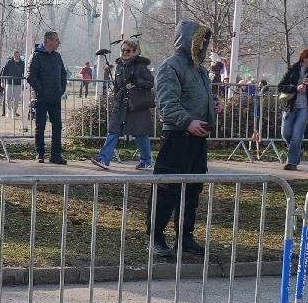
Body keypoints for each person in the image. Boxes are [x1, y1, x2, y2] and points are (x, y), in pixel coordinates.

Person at [152, 19, 216, 258]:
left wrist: (213, 106)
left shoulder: (199, 68)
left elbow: (198, 96)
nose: (202, 46)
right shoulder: (171, 66)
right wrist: (188, 122)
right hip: (177, 137)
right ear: (189, 41)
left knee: (192, 191)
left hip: (197, 138)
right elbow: (167, 103)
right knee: (166, 190)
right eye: (199, 41)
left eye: (204, 43)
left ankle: (185, 237)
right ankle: (156, 237)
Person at [89, 40, 155, 170]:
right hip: (121, 104)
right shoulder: (119, 66)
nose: (124, 53)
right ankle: (104, 159)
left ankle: (147, 161)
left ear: (134, 52)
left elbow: (150, 82)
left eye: (128, 50)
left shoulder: (140, 66)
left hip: (136, 103)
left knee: (140, 133)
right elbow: (119, 86)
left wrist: (136, 81)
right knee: (113, 131)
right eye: (123, 50)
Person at [277, 48, 308, 171]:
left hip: (305, 107)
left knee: (297, 135)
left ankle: (291, 162)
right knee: (285, 133)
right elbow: (280, 86)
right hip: (290, 105)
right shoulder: (292, 69)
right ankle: (296, 152)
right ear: (305, 58)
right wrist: (295, 88)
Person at [28, 31, 68, 164]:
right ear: (49, 41)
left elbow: (63, 75)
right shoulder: (36, 56)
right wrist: (42, 91)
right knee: (41, 126)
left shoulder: (57, 56)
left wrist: (61, 90)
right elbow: (31, 77)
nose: (59, 43)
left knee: (57, 126)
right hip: (41, 98)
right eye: (57, 40)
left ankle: (56, 155)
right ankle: (40, 153)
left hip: (55, 97)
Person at [0, 51, 24, 116]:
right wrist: (2, 81)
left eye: (18, 55)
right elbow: (4, 72)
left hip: (18, 83)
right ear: (13, 55)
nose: (17, 57)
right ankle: (9, 110)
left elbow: (24, 73)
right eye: (15, 55)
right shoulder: (9, 62)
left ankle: (14, 111)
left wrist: (25, 82)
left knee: (16, 99)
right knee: (8, 98)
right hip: (9, 82)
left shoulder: (22, 63)